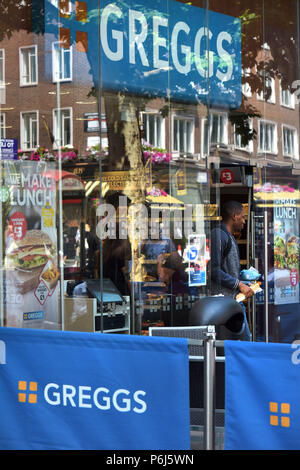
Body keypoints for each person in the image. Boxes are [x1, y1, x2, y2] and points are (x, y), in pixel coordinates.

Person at [211, 200, 254, 340]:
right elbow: (213, 270)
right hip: (225, 304)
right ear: (234, 216)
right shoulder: (219, 235)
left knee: (241, 343)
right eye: (242, 217)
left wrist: (244, 281)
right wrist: (240, 284)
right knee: (243, 344)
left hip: (232, 302)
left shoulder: (227, 236)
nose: (244, 221)